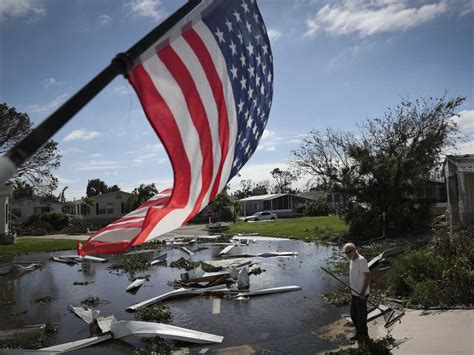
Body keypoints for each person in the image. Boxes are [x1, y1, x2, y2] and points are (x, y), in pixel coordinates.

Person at [343, 242, 371, 341]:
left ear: (355, 250)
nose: (347, 254)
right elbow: (354, 276)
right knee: (353, 315)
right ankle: (359, 333)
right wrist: (350, 286)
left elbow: (368, 276)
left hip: (361, 294)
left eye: (349, 252)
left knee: (361, 317)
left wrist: (363, 292)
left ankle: (364, 336)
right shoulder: (351, 260)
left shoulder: (361, 260)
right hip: (354, 293)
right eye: (345, 253)